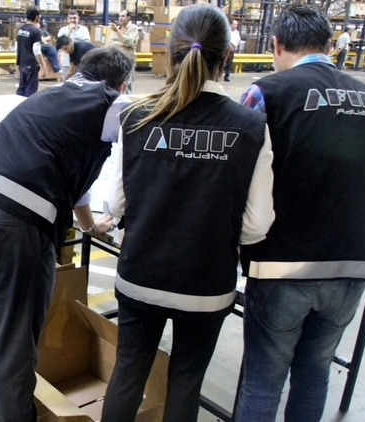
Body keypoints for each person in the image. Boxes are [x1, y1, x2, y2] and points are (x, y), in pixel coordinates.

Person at [101, 4, 275, 421]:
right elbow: (256, 226)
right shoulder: (251, 127)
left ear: (169, 53)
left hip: (141, 276)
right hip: (206, 285)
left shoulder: (136, 116)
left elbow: (116, 204)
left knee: (128, 374)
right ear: (227, 56)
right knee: (186, 380)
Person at [0, 47, 134, 421]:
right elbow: (149, 134)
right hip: (13, 222)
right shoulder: (109, 102)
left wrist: (88, 226)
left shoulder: (51, 97)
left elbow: (72, 179)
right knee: (15, 338)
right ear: (121, 84)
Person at [235, 5, 365, 421]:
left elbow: (239, 177)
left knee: (263, 380)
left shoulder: (266, 93)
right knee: (314, 371)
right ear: (330, 45)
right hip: (354, 264)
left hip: (282, 266)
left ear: (277, 45)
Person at [108, 10, 139, 92]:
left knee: (127, 83)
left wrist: (117, 32)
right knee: (115, 82)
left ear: (128, 17)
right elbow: (111, 43)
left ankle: (127, 99)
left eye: (123, 16)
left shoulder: (133, 28)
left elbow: (129, 42)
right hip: (115, 60)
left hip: (128, 59)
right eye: (119, 16)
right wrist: (121, 44)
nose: (120, 18)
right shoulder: (117, 28)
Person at [16, 6, 42, 97]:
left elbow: (17, 46)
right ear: (36, 17)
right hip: (31, 64)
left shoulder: (21, 29)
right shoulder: (36, 31)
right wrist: (41, 63)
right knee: (31, 88)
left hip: (22, 63)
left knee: (22, 87)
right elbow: (36, 50)